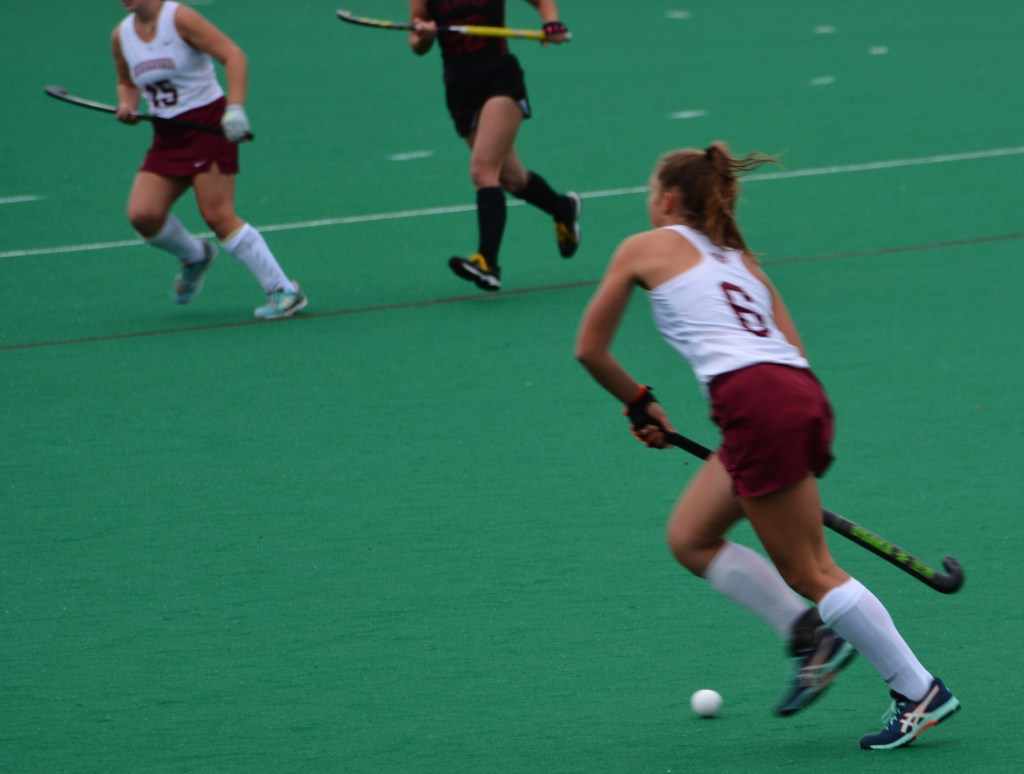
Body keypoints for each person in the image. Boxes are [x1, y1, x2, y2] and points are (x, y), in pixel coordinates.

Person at [574, 142, 960, 749]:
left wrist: (639, 400)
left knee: (810, 568)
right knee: (691, 536)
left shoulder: (643, 247)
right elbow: (792, 351)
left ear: (669, 199)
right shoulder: (742, 261)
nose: (649, 203)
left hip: (754, 405)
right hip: (796, 395)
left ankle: (918, 691)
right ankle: (808, 634)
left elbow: (590, 350)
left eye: (651, 193)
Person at [112, 0, 307, 320]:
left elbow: (234, 56)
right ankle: (195, 256)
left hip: (207, 126)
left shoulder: (179, 18)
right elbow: (127, 82)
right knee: (143, 215)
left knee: (217, 214)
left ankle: (284, 290)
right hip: (167, 135)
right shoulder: (121, 35)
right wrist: (127, 105)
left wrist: (235, 108)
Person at [408, 0, 582, 292]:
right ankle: (564, 208)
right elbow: (416, 41)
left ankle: (487, 263)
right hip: (459, 89)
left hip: (499, 80)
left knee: (483, 171)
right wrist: (424, 35)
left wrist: (550, 22)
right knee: (512, 179)